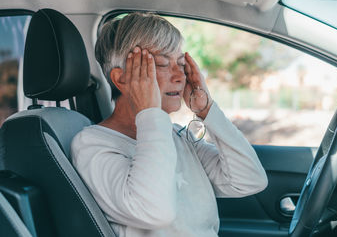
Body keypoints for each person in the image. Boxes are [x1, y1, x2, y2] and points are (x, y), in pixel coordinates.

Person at [71, 12, 268, 237]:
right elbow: (155, 211)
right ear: (122, 79)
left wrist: (207, 110)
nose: (180, 76)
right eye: (163, 64)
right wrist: (149, 113)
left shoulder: (175, 136)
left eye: (182, 64)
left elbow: (250, 180)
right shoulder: (92, 146)